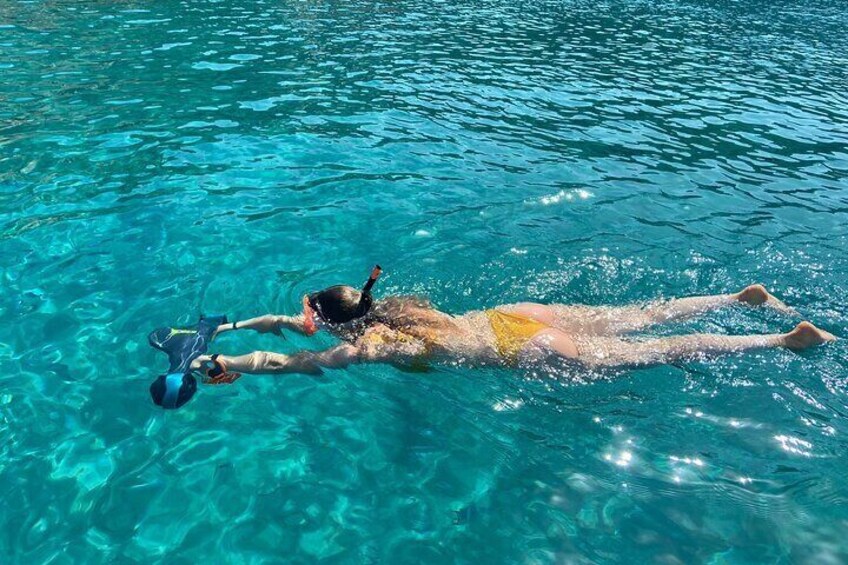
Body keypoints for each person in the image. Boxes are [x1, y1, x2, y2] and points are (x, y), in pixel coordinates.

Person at [192, 266, 836, 381]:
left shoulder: (373, 346)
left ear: (335, 325)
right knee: (640, 316)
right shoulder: (399, 308)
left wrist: (229, 366)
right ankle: (737, 297)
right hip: (510, 316)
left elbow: (294, 361)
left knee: (660, 351)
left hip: (519, 353)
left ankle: (781, 338)